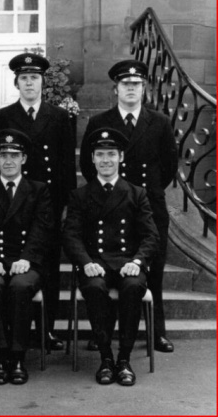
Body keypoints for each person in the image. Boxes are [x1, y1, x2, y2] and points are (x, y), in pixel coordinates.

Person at [80, 60, 177, 353]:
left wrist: (145, 195)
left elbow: (169, 165)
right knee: (109, 270)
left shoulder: (159, 121)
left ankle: (156, 332)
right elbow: (88, 164)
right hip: (110, 208)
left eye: (136, 85)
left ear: (144, 88)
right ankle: (103, 334)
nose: (131, 89)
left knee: (152, 271)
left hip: (149, 209)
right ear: (116, 89)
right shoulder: (100, 123)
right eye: (125, 85)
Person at [0, 53, 76, 351]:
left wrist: (66, 206)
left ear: (42, 82)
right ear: (16, 83)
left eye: (34, 78)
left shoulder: (60, 116)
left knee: (48, 268)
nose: (29, 83)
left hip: (47, 205)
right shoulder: (2, 116)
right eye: (24, 78)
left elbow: (65, 165)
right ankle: (13, 329)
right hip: (12, 204)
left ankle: (46, 329)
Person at [63, 128, 160, 386]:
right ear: (92, 159)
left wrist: (137, 261)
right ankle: (106, 358)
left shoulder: (136, 193)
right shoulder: (80, 195)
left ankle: (124, 359)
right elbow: (71, 236)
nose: (106, 160)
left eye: (111, 154)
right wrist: (86, 263)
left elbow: (151, 236)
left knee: (134, 286)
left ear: (121, 157)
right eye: (100, 155)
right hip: (96, 264)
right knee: (94, 288)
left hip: (128, 263)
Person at [0, 129, 54, 385]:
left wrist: (27, 257)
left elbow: (42, 228)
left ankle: (17, 357)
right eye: (3, 155)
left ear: (24, 159)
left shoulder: (39, 190)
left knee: (20, 286)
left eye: (14, 155)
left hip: (25, 261)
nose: (9, 160)